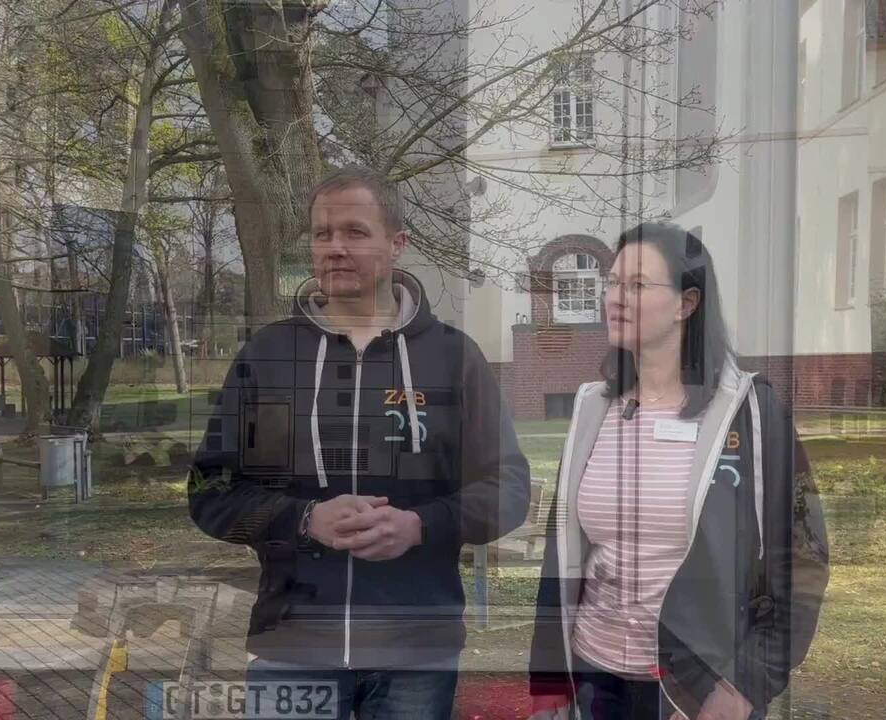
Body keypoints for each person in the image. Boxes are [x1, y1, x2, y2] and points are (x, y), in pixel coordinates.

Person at [189, 165, 531, 719]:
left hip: (415, 652)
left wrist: (421, 525)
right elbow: (213, 492)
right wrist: (303, 519)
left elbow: (508, 488)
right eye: (322, 234)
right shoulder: (270, 358)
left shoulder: (452, 358)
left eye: (355, 232)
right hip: (294, 644)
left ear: (397, 243)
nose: (335, 248)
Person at [527, 222, 829, 720]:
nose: (615, 299)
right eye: (613, 283)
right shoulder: (593, 408)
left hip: (696, 692)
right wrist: (548, 680)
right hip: (595, 679)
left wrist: (745, 685)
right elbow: (560, 551)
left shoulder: (751, 412)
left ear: (687, 304)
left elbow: (804, 557)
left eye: (637, 285)